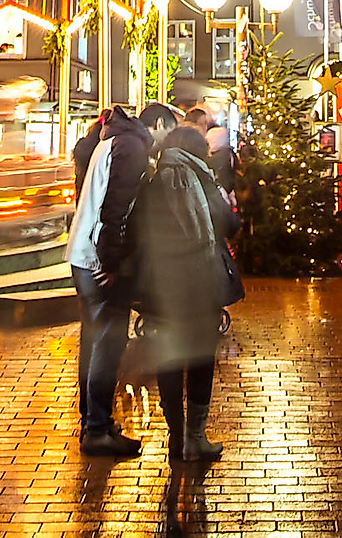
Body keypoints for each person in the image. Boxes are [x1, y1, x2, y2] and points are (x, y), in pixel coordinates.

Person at [69, 103, 180, 457]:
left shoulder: (113, 140)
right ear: (158, 125)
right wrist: (111, 261)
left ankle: (93, 421)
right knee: (107, 343)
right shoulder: (132, 146)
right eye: (168, 133)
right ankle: (98, 429)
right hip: (96, 259)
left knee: (94, 342)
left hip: (83, 254)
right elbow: (114, 209)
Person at [131, 123, 242, 462]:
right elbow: (230, 226)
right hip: (200, 283)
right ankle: (196, 438)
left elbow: (135, 227)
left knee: (168, 358)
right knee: (199, 358)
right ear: (199, 152)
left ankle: (175, 437)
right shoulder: (205, 180)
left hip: (163, 285)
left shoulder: (151, 182)